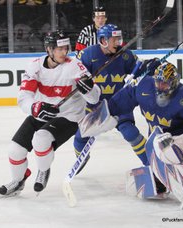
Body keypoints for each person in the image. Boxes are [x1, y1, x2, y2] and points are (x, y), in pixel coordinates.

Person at [91, 60, 183, 210]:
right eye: (158, 82)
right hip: (156, 143)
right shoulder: (144, 86)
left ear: (174, 83)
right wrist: (106, 112)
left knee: (167, 153)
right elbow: (125, 97)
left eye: (165, 83)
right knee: (138, 184)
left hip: (180, 141)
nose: (160, 87)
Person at [0, 30, 101, 197]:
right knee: (14, 150)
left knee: (41, 139)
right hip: (42, 114)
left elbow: (95, 98)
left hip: (68, 117)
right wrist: (35, 107)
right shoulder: (35, 66)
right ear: (49, 50)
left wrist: (89, 89)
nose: (64, 52)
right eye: (59, 49)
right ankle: (18, 181)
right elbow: (23, 98)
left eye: (66, 48)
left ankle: (43, 171)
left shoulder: (74, 66)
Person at [73, 24, 149, 174]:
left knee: (131, 133)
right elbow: (76, 75)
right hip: (95, 105)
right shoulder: (87, 54)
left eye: (118, 39)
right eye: (114, 40)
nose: (118, 43)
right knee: (81, 136)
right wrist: (82, 81)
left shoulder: (125, 55)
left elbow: (140, 71)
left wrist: (146, 68)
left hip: (119, 103)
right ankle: (81, 158)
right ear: (103, 40)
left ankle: (151, 162)